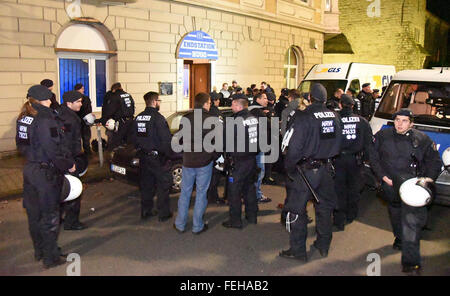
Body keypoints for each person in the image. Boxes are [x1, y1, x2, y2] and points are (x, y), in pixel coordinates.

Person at [370, 108, 442, 274]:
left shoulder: (422, 139)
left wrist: (426, 182)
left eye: (404, 121)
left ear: (411, 123)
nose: (399, 124)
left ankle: (411, 263)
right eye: (397, 120)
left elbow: (434, 162)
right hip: (391, 185)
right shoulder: (383, 136)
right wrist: (383, 177)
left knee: (411, 221)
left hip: (413, 189)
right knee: (395, 213)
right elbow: (373, 157)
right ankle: (400, 237)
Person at [279, 83, 342, 261]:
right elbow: (339, 143)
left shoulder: (303, 116)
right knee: (324, 209)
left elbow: (292, 147)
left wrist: (290, 169)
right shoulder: (334, 115)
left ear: (309, 98)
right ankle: (323, 245)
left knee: (296, 210)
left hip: (306, 170)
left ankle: (298, 251)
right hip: (327, 169)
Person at [16, 85, 76, 269]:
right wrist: (68, 165)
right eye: (49, 98)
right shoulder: (45, 118)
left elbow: (21, 146)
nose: (51, 101)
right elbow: (53, 149)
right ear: (42, 99)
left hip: (30, 170)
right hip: (46, 173)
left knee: (34, 215)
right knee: (50, 216)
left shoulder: (24, 118)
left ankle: (40, 251)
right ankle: (51, 257)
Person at [174, 92, 216, 234]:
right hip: (204, 162)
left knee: (185, 192)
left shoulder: (186, 118)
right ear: (205, 104)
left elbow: (179, 140)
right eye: (209, 102)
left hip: (188, 161)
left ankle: (180, 223)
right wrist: (213, 157)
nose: (210, 105)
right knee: (201, 193)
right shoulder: (211, 119)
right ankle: (197, 226)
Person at [333, 94, 375, 231]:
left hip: (338, 160)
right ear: (352, 106)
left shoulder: (335, 120)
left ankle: (339, 219)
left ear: (340, 104)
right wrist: (366, 159)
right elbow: (369, 144)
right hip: (356, 161)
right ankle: (351, 215)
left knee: (339, 190)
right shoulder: (362, 122)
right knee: (354, 189)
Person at [131, 91, 173, 222]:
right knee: (163, 185)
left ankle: (146, 211)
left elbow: (133, 138)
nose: (159, 103)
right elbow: (165, 140)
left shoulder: (138, 117)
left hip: (144, 157)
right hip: (157, 158)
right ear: (154, 102)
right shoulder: (158, 118)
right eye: (159, 101)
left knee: (146, 186)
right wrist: (167, 156)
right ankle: (164, 213)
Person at [222, 97, 259, 229]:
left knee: (234, 192)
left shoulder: (234, 121)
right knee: (249, 189)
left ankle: (235, 221)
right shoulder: (253, 119)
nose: (231, 107)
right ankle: (252, 217)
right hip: (251, 160)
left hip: (238, 162)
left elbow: (224, 142)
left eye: (233, 105)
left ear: (239, 106)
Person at [58, 90, 88, 231]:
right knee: (74, 190)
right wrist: (71, 163)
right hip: (69, 160)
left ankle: (59, 218)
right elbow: (66, 142)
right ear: (69, 103)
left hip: (60, 160)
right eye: (78, 102)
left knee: (61, 188)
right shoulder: (69, 119)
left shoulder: (60, 114)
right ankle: (72, 222)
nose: (81, 104)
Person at [248, 92, 272, 203]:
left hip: (251, 145)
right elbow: (267, 125)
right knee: (259, 171)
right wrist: (267, 116)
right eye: (265, 98)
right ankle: (257, 195)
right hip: (258, 146)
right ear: (258, 99)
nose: (267, 100)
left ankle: (251, 194)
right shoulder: (257, 111)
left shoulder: (251, 110)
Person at [101, 82, 135, 151]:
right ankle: (128, 157)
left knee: (116, 142)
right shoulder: (128, 95)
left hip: (121, 122)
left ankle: (115, 159)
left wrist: (102, 120)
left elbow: (110, 110)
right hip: (130, 121)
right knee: (128, 141)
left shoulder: (115, 96)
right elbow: (133, 107)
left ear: (114, 89)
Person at [207, 92, 226, 205]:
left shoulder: (203, 113)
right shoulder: (217, 113)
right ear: (215, 100)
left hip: (206, 149)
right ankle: (213, 197)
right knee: (217, 173)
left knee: (208, 174)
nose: (219, 101)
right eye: (218, 100)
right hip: (217, 149)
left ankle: (208, 195)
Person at [73, 83, 93, 156]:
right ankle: (88, 153)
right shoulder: (85, 98)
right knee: (86, 138)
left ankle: (78, 154)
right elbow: (88, 110)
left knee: (76, 138)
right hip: (85, 120)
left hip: (75, 121)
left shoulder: (72, 98)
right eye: (82, 88)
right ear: (80, 89)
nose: (83, 89)